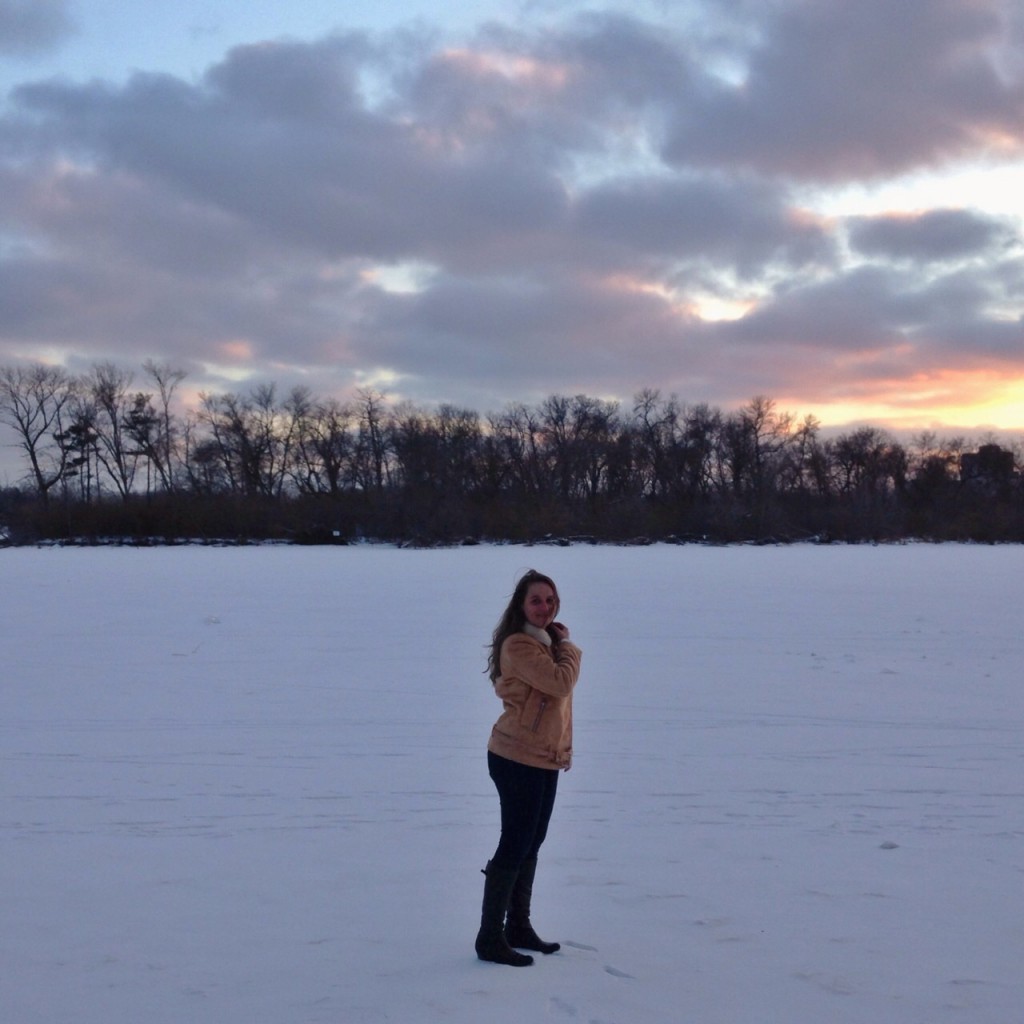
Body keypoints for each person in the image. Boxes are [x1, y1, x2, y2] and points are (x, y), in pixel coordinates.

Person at [475, 569, 583, 967]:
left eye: (551, 601)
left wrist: (562, 752)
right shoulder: (520, 646)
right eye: (537, 600)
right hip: (514, 756)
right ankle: (489, 938)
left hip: (542, 757)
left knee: (532, 842)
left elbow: (556, 708)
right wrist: (568, 645)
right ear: (521, 604)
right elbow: (560, 684)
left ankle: (518, 927)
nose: (545, 608)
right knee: (515, 842)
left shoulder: (544, 643)